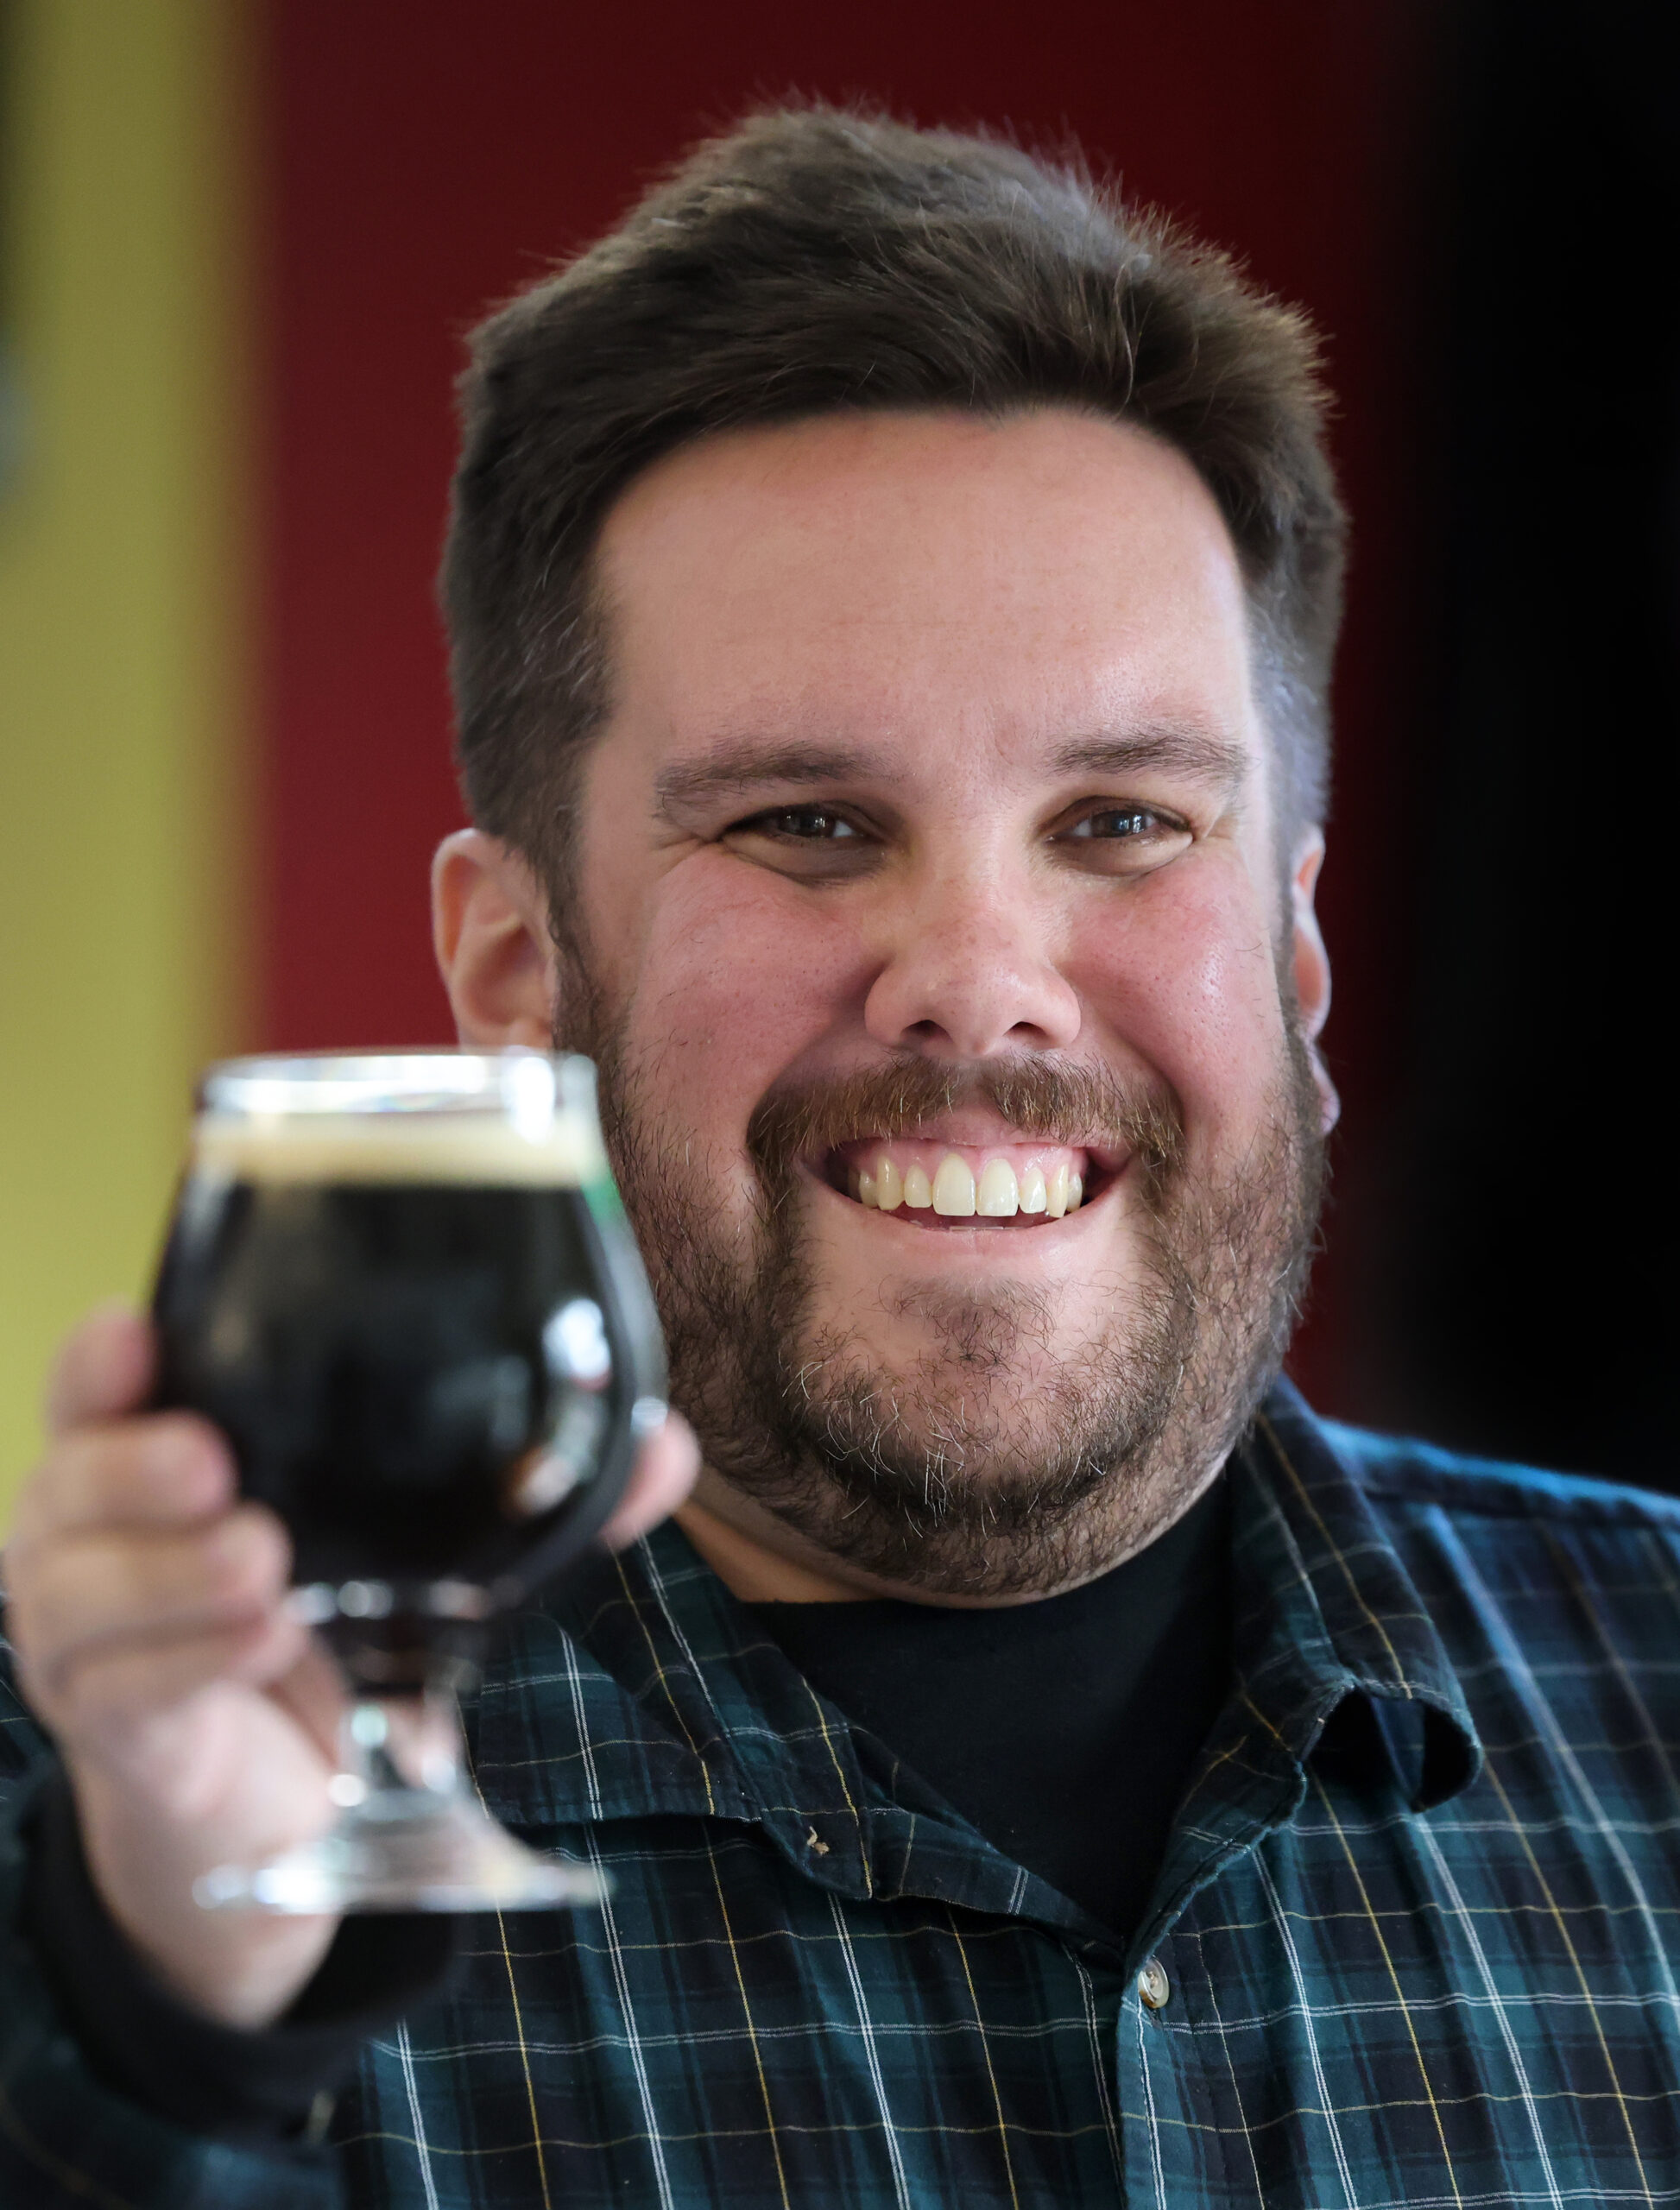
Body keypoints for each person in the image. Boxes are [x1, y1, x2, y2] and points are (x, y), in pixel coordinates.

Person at [2, 104, 1677, 2208]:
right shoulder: (97, 1813)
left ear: (1302, 959)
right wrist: (171, 2023)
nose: (977, 986)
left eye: (1123, 824)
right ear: (519, 972)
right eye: (806, 823)